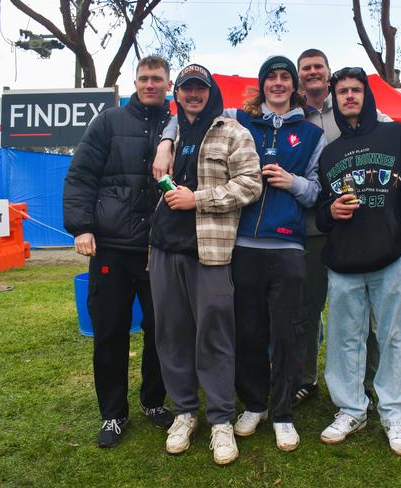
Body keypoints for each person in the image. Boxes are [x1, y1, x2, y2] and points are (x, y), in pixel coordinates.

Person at [148, 64, 262, 465]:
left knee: (214, 334)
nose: (193, 94)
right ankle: (183, 412)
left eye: (200, 88)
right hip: (164, 248)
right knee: (172, 334)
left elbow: (250, 183)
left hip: (210, 250)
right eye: (186, 88)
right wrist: (165, 140)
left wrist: (197, 198)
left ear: (210, 92)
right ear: (177, 94)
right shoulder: (171, 131)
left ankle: (219, 420)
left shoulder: (233, 132)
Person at [63, 55, 174, 448]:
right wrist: (82, 227)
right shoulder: (108, 122)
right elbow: (81, 175)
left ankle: (154, 402)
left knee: (161, 330)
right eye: (144, 78)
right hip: (109, 247)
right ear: (135, 81)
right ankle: (113, 414)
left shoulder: (176, 125)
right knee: (109, 332)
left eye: (157, 79)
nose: (149, 84)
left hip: (159, 248)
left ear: (167, 82)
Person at [316, 67, 401, 456]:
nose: (349, 96)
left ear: (367, 95)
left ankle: (394, 415)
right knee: (343, 341)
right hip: (343, 262)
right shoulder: (330, 153)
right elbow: (319, 214)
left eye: (355, 90)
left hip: (391, 258)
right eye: (342, 91)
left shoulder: (396, 135)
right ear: (334, 98)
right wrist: (332, 211)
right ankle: (351, 409)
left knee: (393, 337)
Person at [227, 55, 325, 452]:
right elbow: (185, 113)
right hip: (244, 243)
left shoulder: (312, 133)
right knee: (248, 329)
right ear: (263, 84)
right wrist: (166, 140)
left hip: (288, 245)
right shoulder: (239, 121)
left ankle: (282, 411)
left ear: (294, 85)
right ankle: (254, 404)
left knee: (288, 332)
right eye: (272, 77)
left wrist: (292, 181)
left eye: (286, 77)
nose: (279, 83)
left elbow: (317, 192)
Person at [294, 48, 389, 409]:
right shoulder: (293, 113)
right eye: (307, 68)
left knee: (364, 311)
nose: (313, 73)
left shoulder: (355, 108)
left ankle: (367, 381)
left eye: (319, 67)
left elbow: (388, 137)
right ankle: (306, 378)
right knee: (308, 308)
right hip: (312, 227)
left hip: (359, 226)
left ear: (329, 74)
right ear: (300, 75)